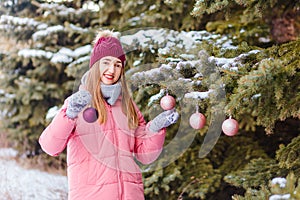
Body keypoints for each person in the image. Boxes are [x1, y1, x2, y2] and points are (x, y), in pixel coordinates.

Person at [39, 30, 179, 200]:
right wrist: (69, 114)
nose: (111, 70)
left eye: (117, 65)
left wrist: (156, 128)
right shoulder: (78, 103)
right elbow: (49, 146)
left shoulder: (128, 106)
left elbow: (144, 154)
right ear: (95, 65)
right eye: (106, 62)